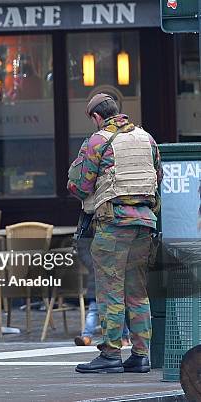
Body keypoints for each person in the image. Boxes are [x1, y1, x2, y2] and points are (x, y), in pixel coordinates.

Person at [67, 93, 162, 374]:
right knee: (137, 291)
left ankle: (110, 354)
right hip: (145, 223)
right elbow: (158, 178)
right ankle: (141, 354)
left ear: (97, 117)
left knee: (110, 290)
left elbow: (80, 186)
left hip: (113, 224)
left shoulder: (98, 140)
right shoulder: (147, 139)